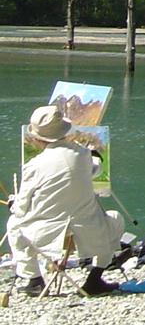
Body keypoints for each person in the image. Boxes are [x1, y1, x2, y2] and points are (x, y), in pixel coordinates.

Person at [4, 105, 123, 297]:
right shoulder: (84, 155)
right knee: (115, 218)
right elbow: (97, 168)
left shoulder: (34, 166)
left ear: (37, 138)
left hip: (47, 235)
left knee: (14, 224)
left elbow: (21, 208)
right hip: (87, 230)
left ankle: (34, 280)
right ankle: (94, 280)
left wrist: (13, 204)